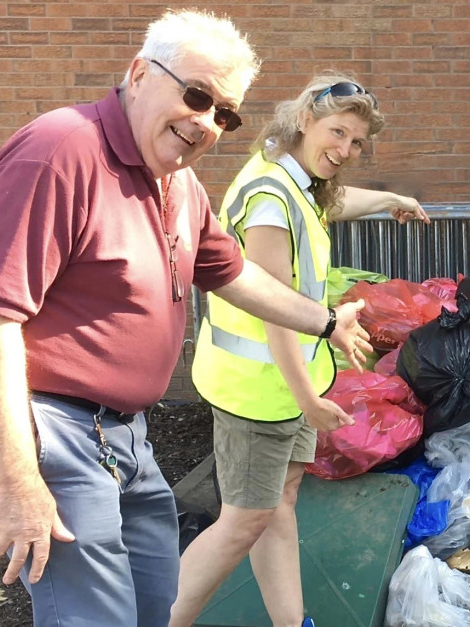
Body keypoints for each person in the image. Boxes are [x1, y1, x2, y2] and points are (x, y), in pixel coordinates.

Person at [0, 11, 373, 627]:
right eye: (196, 95)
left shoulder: (177, 183)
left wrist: (325, 322)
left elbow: (235, 273)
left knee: (156, 606)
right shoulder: (58, 153)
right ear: (139, 74)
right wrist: (17, 481)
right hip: (51, 429)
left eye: (225, 113)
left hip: (127, 434)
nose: (207, 122)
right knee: (94, 616)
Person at [169, 72, 428, 627]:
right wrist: (307, 395)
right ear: (304, 118)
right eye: (338, 132)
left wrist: (390, 198)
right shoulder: (269, 198)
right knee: (243, 520)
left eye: (357, 142)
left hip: (279, 386)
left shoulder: (292, 177)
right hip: (260, 391)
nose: (345, 150)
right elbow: (273, 307)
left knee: (275, 507)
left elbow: (332, 203)